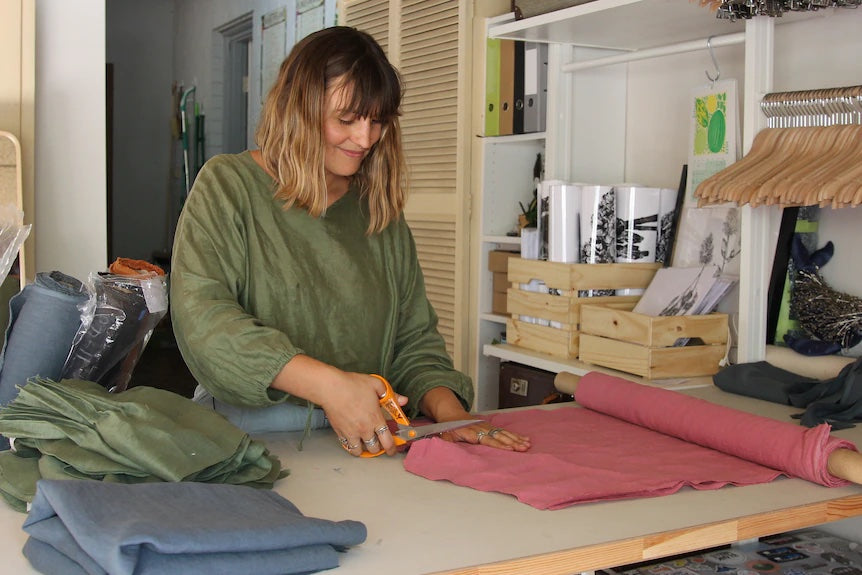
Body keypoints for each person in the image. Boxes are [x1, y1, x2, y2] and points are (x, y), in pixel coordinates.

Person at [170, 26, 530, 457]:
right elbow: (206, 324)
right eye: (346, 120)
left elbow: (413, 342)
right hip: (246, 435)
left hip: (370, 435)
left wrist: (451, 416)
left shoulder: (378, 210)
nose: (365, 139)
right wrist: (330, 387)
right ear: (298, 109)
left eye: (377, 121)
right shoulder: (227, 186)